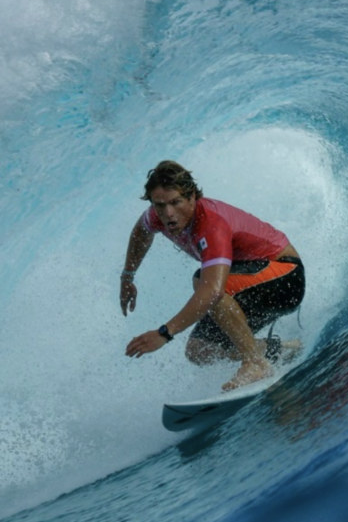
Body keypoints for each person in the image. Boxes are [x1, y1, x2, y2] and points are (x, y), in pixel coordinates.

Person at [120, 160, 305, 391]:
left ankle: (255, 363)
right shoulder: (158, 215)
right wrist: (127, 277)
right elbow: (141, 232)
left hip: (285, 277)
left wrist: (164, 333)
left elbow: (213, 290)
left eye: (176, 202)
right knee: (200, 350)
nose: (168, 213)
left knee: (205, 283)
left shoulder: (211, 223)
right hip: (246, 287)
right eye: (160, 205)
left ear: (191, 197)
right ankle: (279, 349)